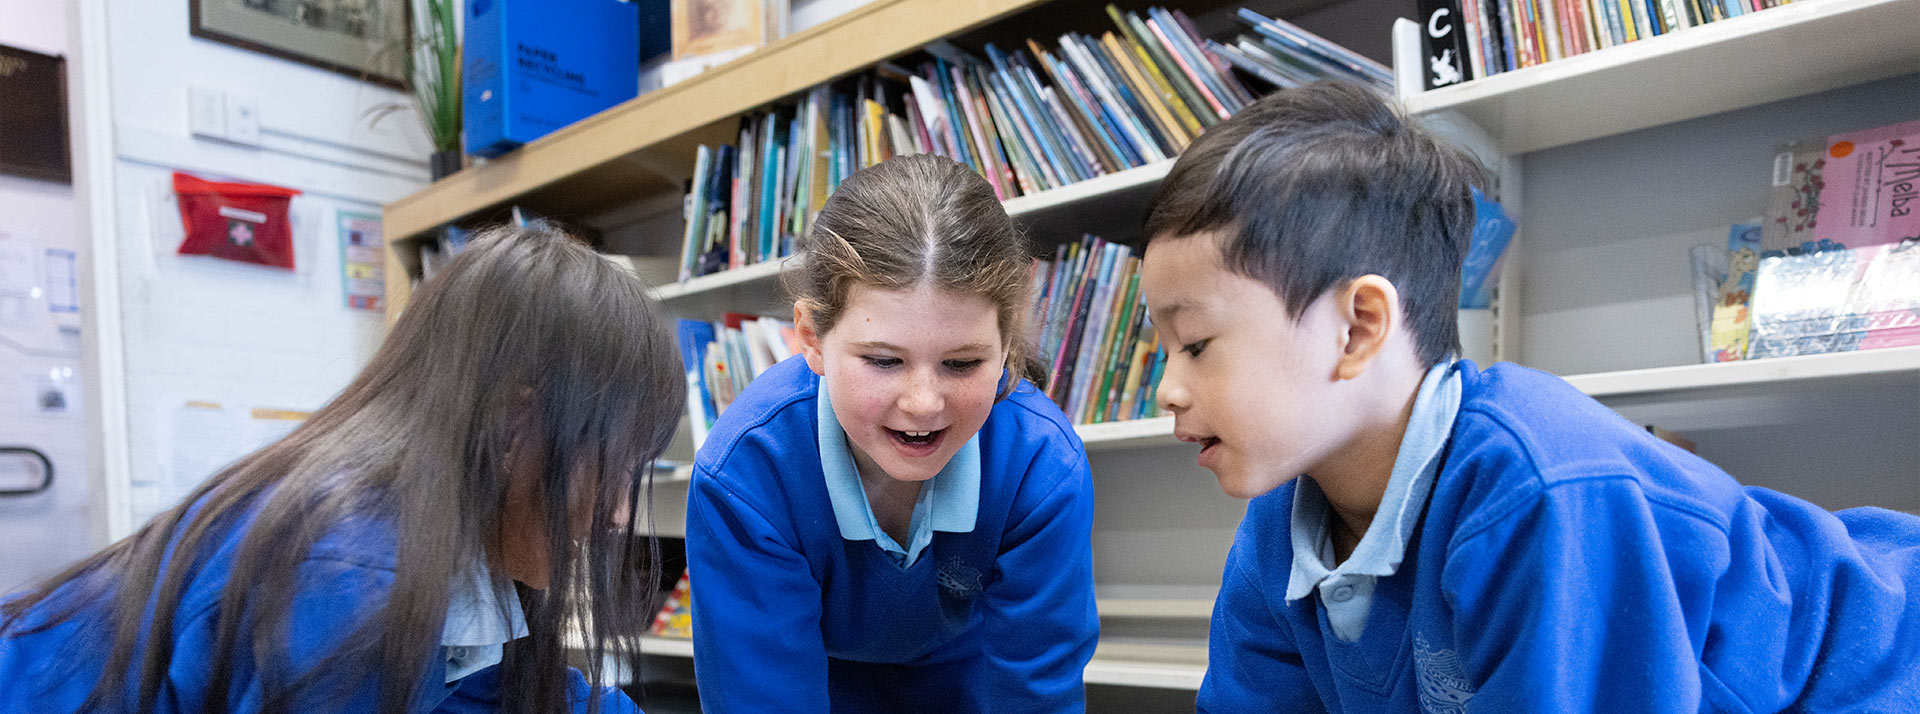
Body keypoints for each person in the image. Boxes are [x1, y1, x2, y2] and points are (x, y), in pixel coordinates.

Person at [1136, 82, 1920, 713]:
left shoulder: (1538, 486)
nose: (1167, 389)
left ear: (1358, 328)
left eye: (1197, 344)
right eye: (1163, 351)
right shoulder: (1282, 529)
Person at [0, 225, 685, 714]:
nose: (621, 512)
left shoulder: (414, 542)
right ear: (514, 428)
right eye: (616, 465)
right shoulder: (350, 571)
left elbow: (469, 686)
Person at [686, 154, 1099, 713]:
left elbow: (1036, 695)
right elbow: (759, 698)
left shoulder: (1042, 464)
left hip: (971, 689)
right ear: (811, 338)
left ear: (1007, 344)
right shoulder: (747, 472)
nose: (924, 404)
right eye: (883, 360)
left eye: (962, 364)